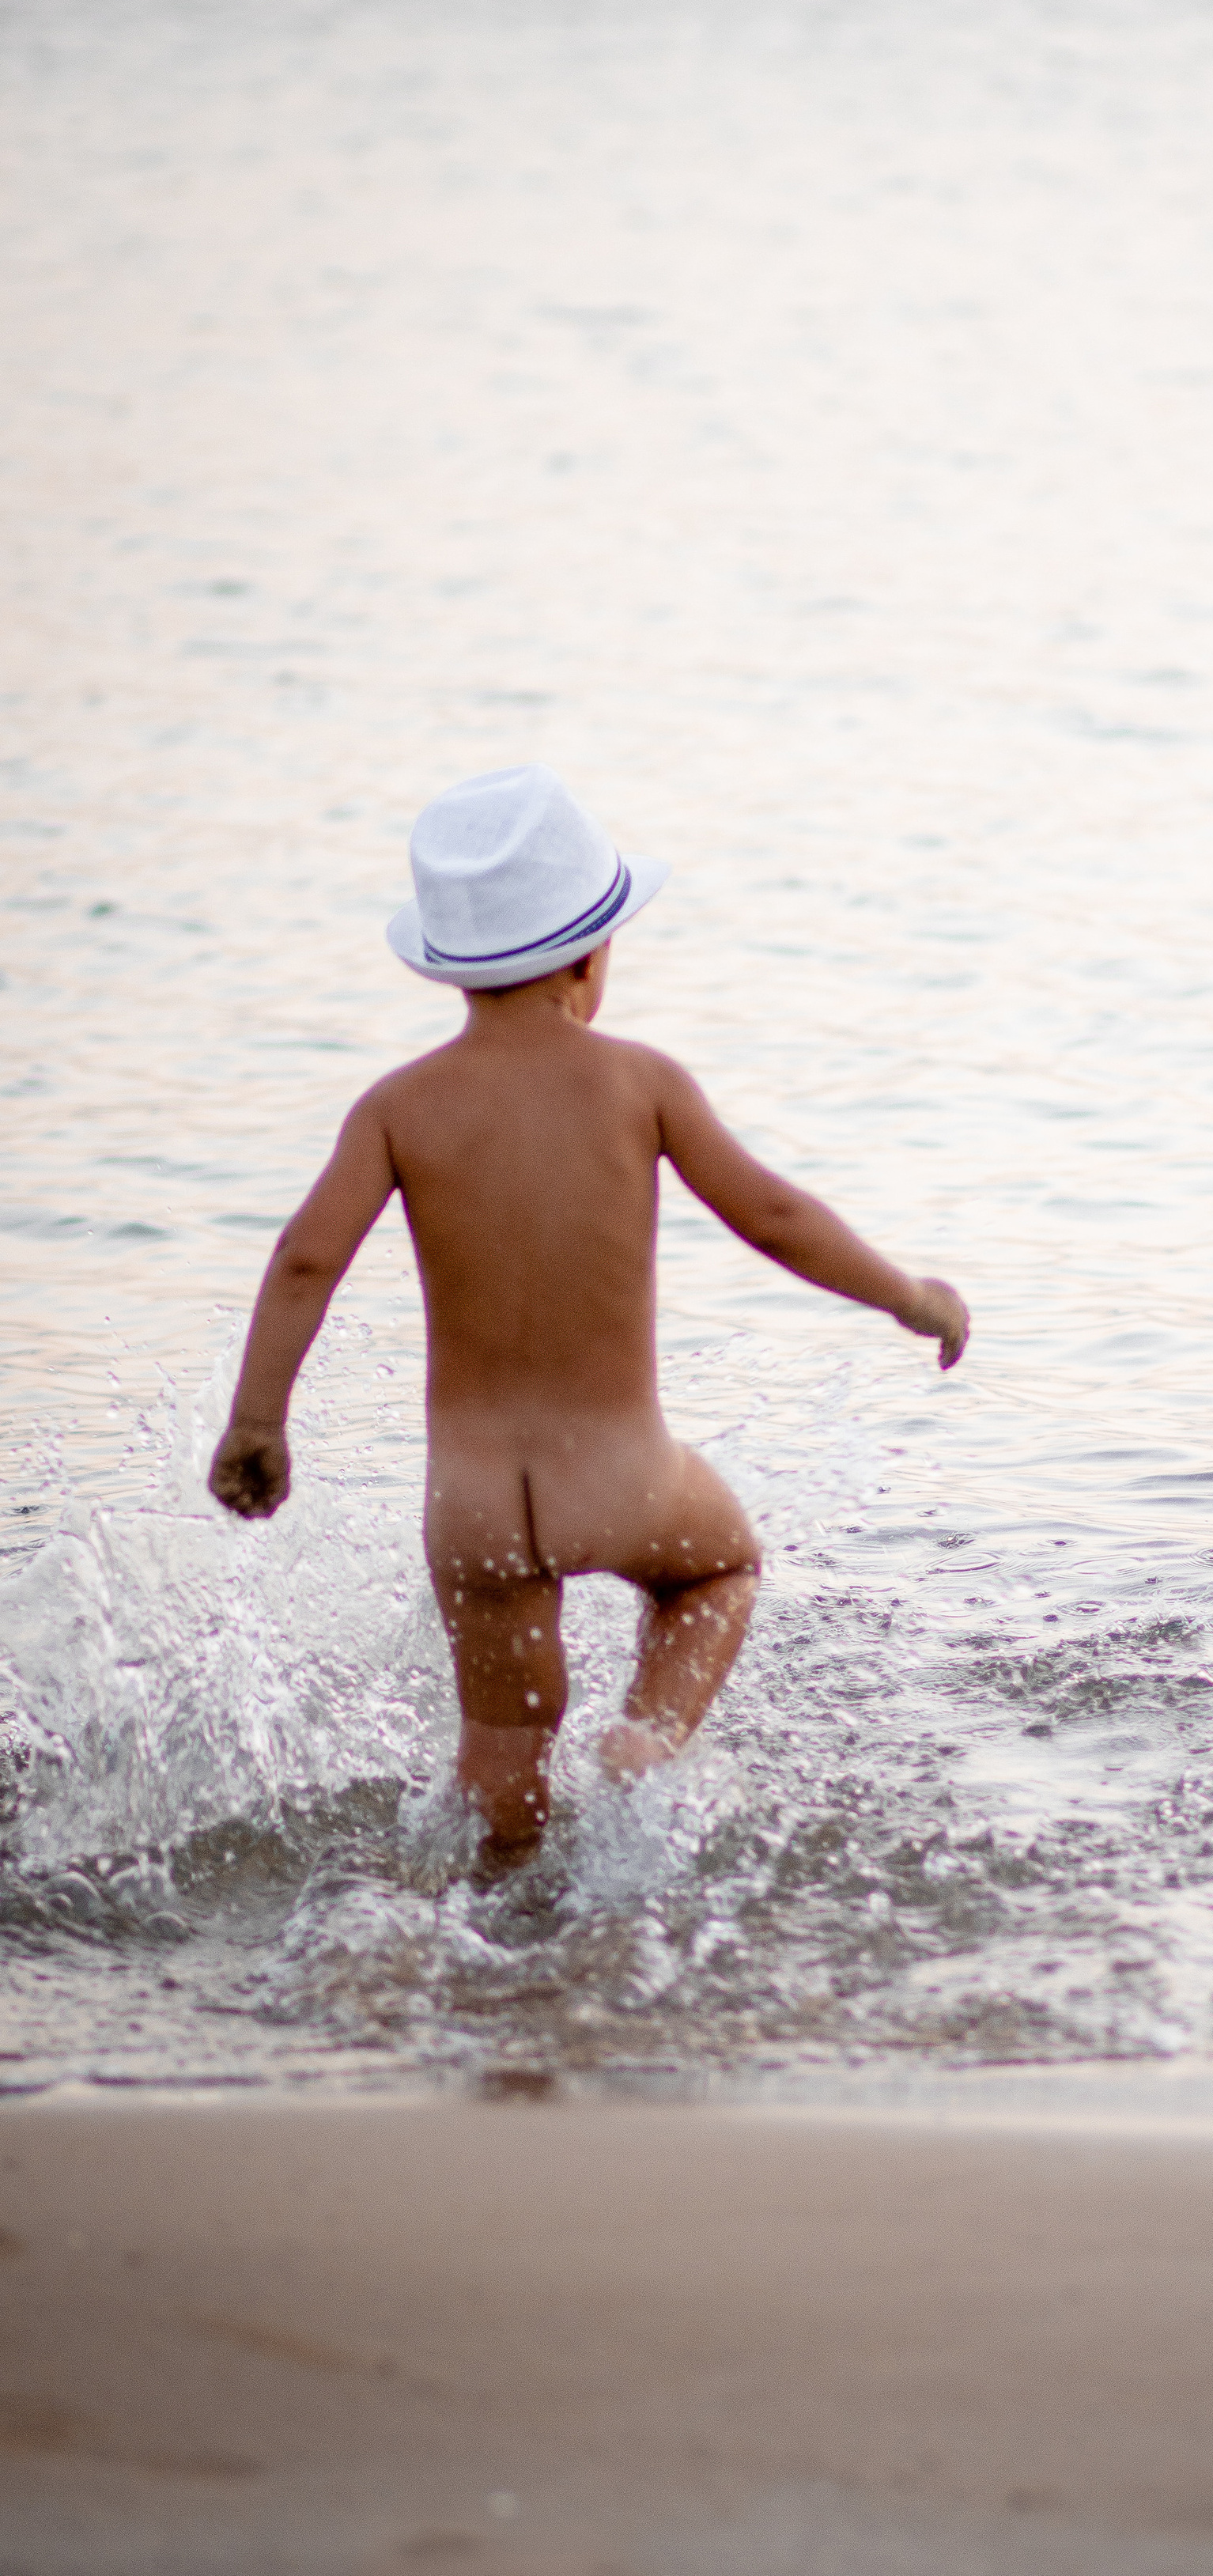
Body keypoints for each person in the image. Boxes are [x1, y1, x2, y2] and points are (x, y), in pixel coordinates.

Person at [207, 764, 968, 1862]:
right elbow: (773, 1214)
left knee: (500, 1759)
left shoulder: (396, 1108)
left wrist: (258, 1423)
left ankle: (491, 1940)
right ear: (588, 953)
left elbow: (302, 1261)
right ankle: (648, 1741)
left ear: (449, 967)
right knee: (720, 1569)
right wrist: (909, 1297)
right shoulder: (640, 1083)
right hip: (618, 1476)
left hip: (473, 1509)